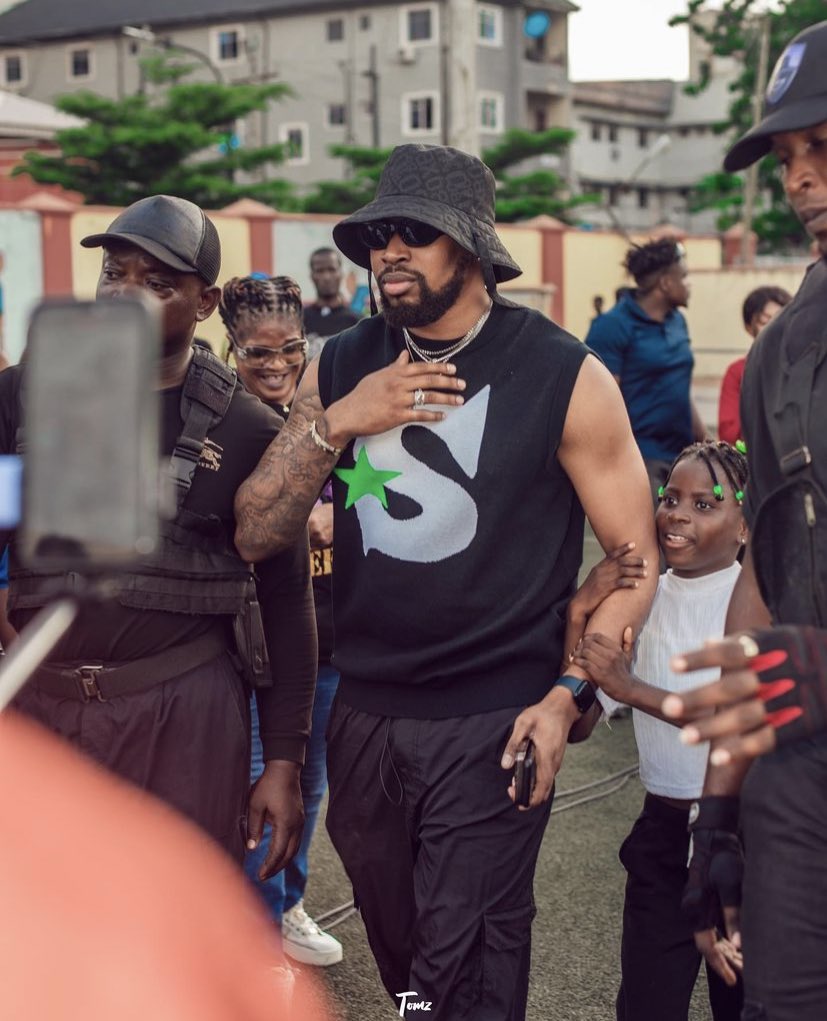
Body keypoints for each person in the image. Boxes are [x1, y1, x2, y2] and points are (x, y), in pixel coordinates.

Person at [233, 142, 659, 1020]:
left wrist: (568, 693)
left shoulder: (563, 373)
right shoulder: (343, 362)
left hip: (495, 712)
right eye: (378, 233)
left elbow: (635, 560)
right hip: (366, 710)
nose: (389, 249)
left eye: (414, 233)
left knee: (467, 951)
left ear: (467, 248)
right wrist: (343, 420)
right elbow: (257, 529)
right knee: (404, 953)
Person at [0, 194, 317, 872]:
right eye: (116, 272)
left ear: (203, 303)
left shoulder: (246, 428)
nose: (125, 293)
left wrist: (284, 760)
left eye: (157, 283)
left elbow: (287, 599)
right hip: (44, 707)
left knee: (176, 918)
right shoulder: (27, 392)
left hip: (183, 717)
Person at [655, 22, 827, 1021]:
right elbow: (760, 587)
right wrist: (716, 811)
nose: (800, 179)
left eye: (822, 148)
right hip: (797, 783)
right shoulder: (774, 356)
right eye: (788, 157)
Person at [574, 441, 747, 1021]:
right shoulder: (641, 600)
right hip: (664, 835)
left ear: (744, 527)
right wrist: (579, 613)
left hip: (744, 837)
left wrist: (633, 690)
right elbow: (580, 724)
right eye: (671, 497)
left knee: (746, 1001)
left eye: (705, 504)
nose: (676, 513)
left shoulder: (755, 601)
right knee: (647, 1003)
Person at [220, 274, 342, 967]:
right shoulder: (227, 422)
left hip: (324, 644)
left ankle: (284, 901)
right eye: (255, 353)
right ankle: (252, 937)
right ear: (230, 347)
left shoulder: (329, 417)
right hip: (247, 648)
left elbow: (375, 503)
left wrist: (336, 522)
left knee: (308, 785)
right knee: (260, 789)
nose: (273, 365)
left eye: (288, 351)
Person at [586, 240, 708, 501]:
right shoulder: (612, 327)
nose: (689, 284)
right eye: (684, 276)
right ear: (665, 283)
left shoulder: (678, 322)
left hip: (683, 455)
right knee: (652, 538)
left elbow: (678, 385)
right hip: (640, 459)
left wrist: (704, 437)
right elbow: (601, 403)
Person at [717, 285, 790, 445]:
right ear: (749, 327)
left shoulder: (800, 368)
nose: (775, 328)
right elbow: (728, 433)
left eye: (781, 319)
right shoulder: (737, 373)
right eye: (765, 321)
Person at [303, 248, 360, 359]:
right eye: (320, 271)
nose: (326, 277)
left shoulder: (356, 322)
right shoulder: (300, 320)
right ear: (312, 276)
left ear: (341, 274)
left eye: (332, 270)